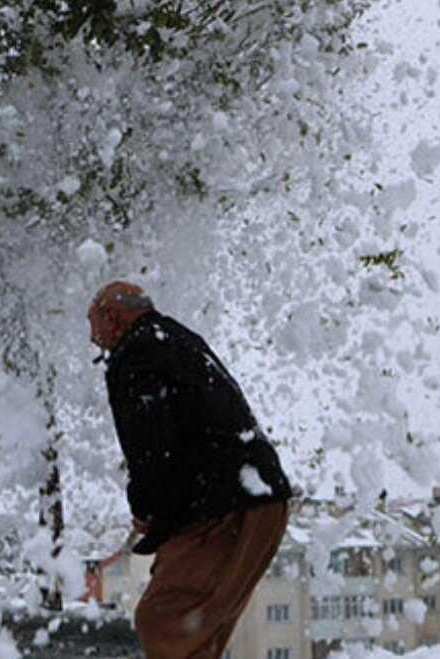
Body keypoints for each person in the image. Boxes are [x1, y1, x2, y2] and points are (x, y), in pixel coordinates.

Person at [87, 280, 292, 659]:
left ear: (113, 319)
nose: (94, 342)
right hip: (258, 497)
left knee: (164, 621)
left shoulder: (135, 354)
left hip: (226, 508)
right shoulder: (176, 339)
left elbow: (151, 444)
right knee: (196, 634)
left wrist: (147, 510)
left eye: (93, 328)